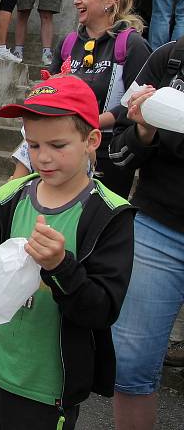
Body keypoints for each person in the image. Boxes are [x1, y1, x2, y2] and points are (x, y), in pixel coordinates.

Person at [0, 75, 136, 430]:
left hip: (46, 388)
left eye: (57, 144)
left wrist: (60, 266)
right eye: (33, 146)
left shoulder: (109, 215)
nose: (44, 157)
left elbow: (102, 309)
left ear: (91, 140)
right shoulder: (13, 195)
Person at [109, 39, 184, 430]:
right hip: (161, 227)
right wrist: (143, 131)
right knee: (131, 360)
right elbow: (119, 153)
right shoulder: (170, 58)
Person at [48, 0, 151, 198]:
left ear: (110, 1)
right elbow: (48, 91)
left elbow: (136, 104)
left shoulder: (133, 45)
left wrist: (88, 122)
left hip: (108, 153)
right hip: (64, 148)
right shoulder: (68, 42)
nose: (76, 1)